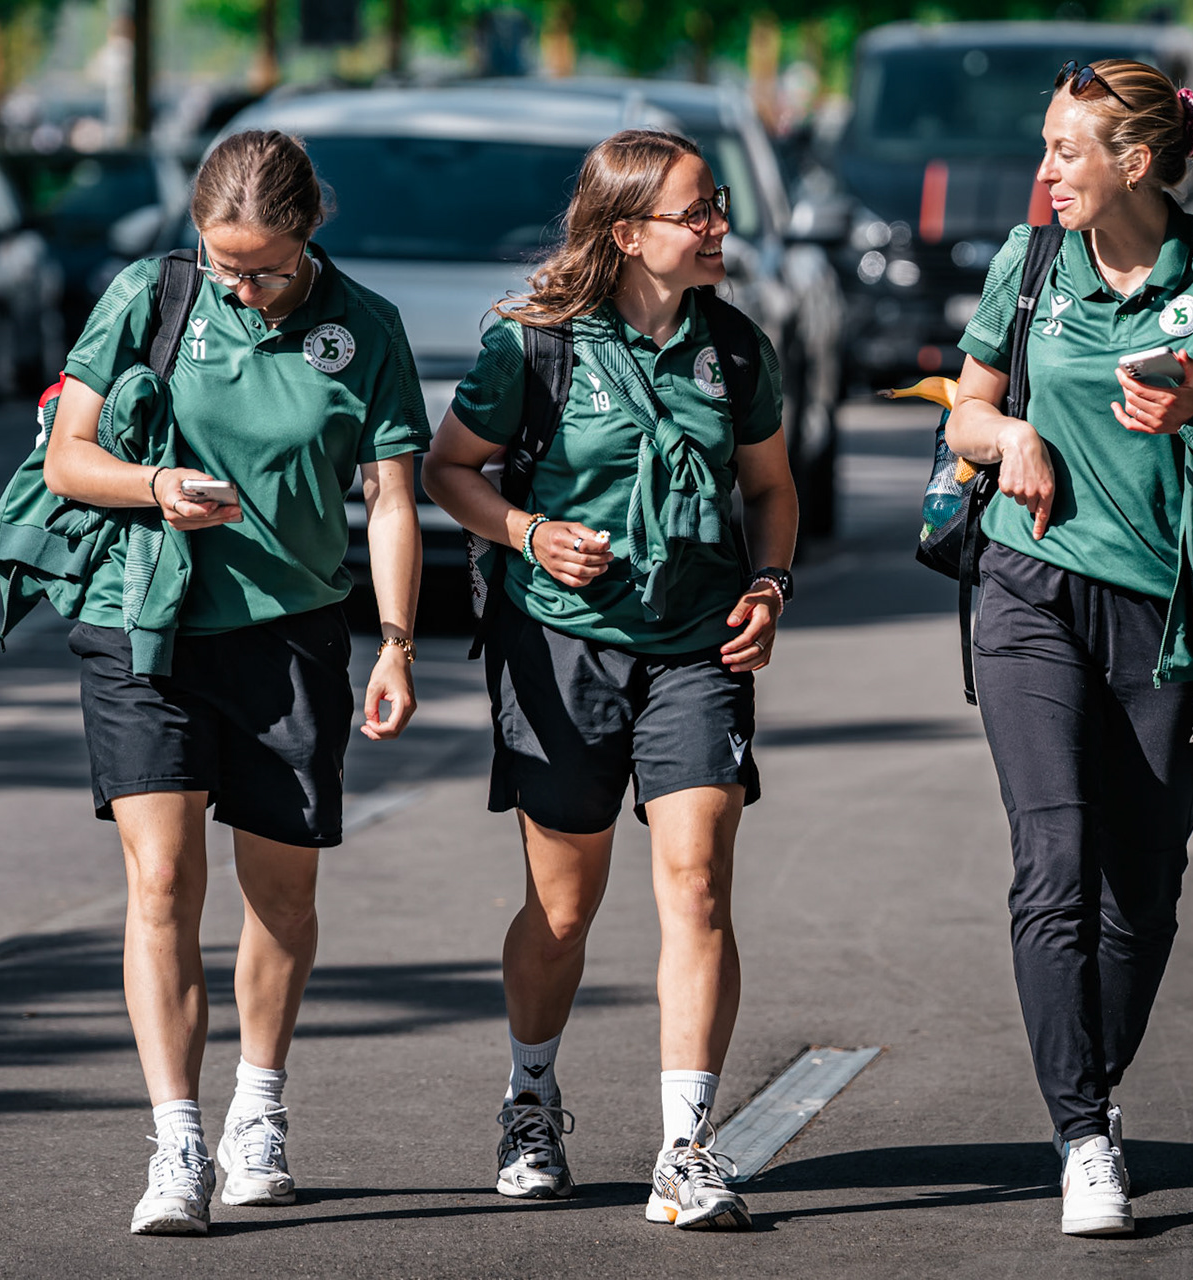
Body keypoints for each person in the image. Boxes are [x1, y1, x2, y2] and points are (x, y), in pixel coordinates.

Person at [944, 61, 1193, 1236]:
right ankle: (1080, 1136)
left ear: (1133, 160)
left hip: (1169, 615)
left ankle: (1091, 1080)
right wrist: (1006, 430)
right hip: (1028, 590)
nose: (1045, 171)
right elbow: (961, 407)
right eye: (1046, 146)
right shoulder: (1027, 268)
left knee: (1143, 893)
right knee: (1052, 857)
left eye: (1067, 150)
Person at [41, 129, 430, 1235]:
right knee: (161, 878)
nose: (242, 285)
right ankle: (177, 1139)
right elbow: (71, 455)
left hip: (292, 634)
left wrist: (396, 639)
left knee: (283, 893)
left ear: (308, 235)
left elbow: (391, 497)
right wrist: (153, 482)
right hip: (144, 624)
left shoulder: (366, 328)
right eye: (225, 266)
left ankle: (259, 1103)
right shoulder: (147, 296)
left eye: (261, 266)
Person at [421, 128, 798, 1232]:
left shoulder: (734, 350)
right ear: (628, 232)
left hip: (698, 645)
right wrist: (530, 533)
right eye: (697, 211)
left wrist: (768, 586)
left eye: (719, 204)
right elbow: (451, 468)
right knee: (564, 903)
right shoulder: (532, 345)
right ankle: (529, 1098)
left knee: (698, 885)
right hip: (561, 649)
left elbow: (770, 487)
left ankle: (687, 1144)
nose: (719, 225)